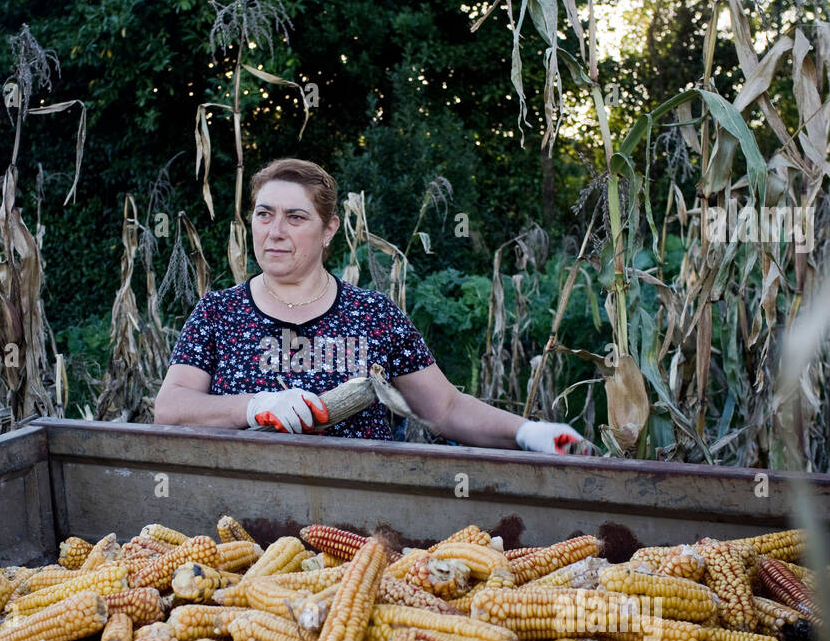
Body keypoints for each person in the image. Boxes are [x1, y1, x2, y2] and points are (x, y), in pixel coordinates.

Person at [153, 158, 586, 454]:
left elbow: (446, 409)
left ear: (329, 229)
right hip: (239, 514)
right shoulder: (218, 313)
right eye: (264, 214)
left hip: (358, 517)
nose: (275, 231)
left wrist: (527, 432)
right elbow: (170, 410)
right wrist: (253, 406)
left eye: (296, 217)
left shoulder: (374, 316)